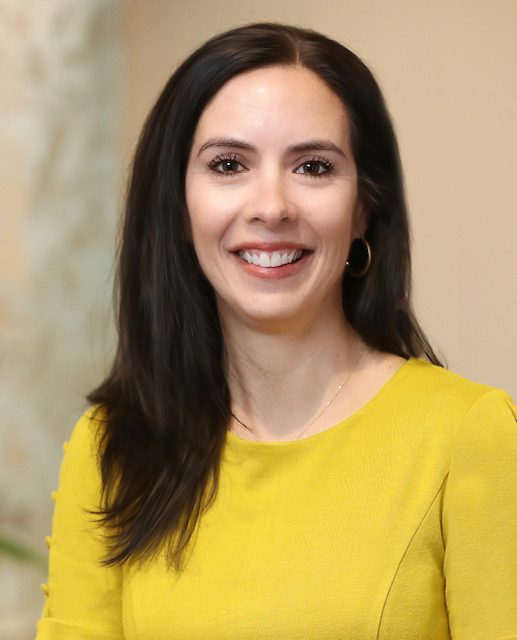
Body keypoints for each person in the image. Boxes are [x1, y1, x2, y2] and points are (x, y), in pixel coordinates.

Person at [36, 23, 517, 639]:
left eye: (313, 166)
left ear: (364, 206)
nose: (271, 207)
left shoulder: (468, 434)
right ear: (178, 206)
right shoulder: (113, 444)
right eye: (229, 164)